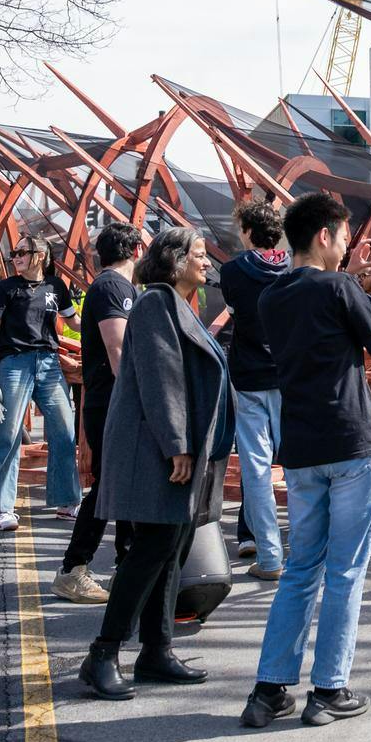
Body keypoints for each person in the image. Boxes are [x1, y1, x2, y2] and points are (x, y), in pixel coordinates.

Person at [241, 191, 371, 730]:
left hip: (303, 450)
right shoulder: (340, 287)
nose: (349, 245)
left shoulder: (271, 299)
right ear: (325, 235)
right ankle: (329, 690)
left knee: (300, 569)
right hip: (354, 443)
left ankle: (269, 690)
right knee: (346, 570)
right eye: (345, 235)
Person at [78, 227, 231, 700]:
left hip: (173, 448)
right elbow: (162, 379)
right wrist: (177, 445)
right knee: (150, 550)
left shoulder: (177, 305)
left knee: (171, 547)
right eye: (200, 256)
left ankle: (156, 649)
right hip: (158, 449)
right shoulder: (155, 304)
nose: (207, 264)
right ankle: (102, 653)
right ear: (174, 260)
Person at [55, 222, 142, 604]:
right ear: (136, 251)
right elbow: (118, 348)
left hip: (112, 402)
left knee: (122, 486)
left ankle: (129, 562)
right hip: (114, 403)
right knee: (108, 487)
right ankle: (73, 569)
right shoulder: (113, 288)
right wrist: (140, 399)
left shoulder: (113, 287)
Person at [0, 235, 81, 531]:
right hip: (14, 362)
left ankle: (66, 501)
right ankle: (2, 508)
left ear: (40, 255)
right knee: (9, 433)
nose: (16, 257)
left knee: (64, 429)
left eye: (22, 252)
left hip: (49, 362)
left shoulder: (56, 286)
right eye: (14, 253)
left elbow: (74, 323)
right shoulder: (6, 288)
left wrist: (107, 318)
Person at [221, 198, 290, 580]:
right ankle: (307, 549)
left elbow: (235, 314)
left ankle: (269, 556)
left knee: (257, 470)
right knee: (297, 467)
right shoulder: (292, 270)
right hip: (288, 376)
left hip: (247, 378)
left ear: (248, 231)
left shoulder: (233, 272)